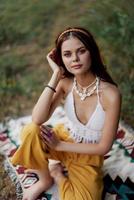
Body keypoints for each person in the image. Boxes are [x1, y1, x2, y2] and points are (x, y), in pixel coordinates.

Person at [11, 27, 121, 200]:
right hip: (65, 138)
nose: (75, 59)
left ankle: (56, 173)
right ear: (61, 58)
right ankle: (45, 180)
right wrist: (56, 75)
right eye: (67, 54)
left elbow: (104, 147)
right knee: (30, 130)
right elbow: (38, 118)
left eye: (81, 51)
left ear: (91, 52)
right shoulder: (66, 83)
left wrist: (58, 146)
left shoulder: (110, 94)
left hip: (88, 156)